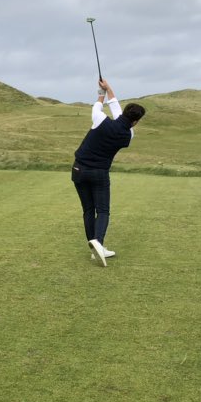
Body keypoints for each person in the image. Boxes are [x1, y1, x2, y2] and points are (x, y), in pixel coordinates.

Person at [70, 78, 145, 266]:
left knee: (88, 209)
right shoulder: (129, 134)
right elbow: (119, 114)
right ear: (135, 122)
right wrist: (108, 90)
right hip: (99, 174)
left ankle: (95, 249)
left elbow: (102, 105)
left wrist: (103, 92)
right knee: (102, 211)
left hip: (78, 169)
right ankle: (98, 244)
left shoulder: (99, 118)